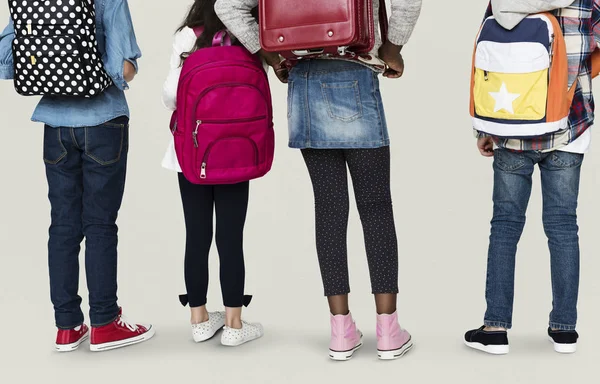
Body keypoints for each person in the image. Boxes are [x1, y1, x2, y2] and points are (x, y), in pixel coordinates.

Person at [215, 0, 422, 360]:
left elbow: (228, 5)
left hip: (304, 83)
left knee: (329, 208)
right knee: (375, 208)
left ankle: (340, 331)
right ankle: (388, 330)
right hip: (354, 72)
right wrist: (392, 47)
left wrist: (270, 53)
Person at [0, 0, 154, 352]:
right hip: (103, 122)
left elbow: (6, 59)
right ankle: (104, 323)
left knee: (63, 225)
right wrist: (124, 68)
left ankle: (67, 326)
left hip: (54, 123)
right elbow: (123, 69)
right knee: (100, 224)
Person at [464, 0, 600, 355]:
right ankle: (564, 330)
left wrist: (484, 128)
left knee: (505, 226)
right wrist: (580, 76)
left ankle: (495, 327)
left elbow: (487, 59)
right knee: (563, 226)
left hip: (512, 132)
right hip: (569, 127)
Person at [161, 0, 266, 347]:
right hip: (236, 154)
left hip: (191, 155)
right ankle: (235, 324)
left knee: (197, 235)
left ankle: (200, 319)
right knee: (230, 238)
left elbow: (170, 95)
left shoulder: (186, 38)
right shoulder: (247, 39)